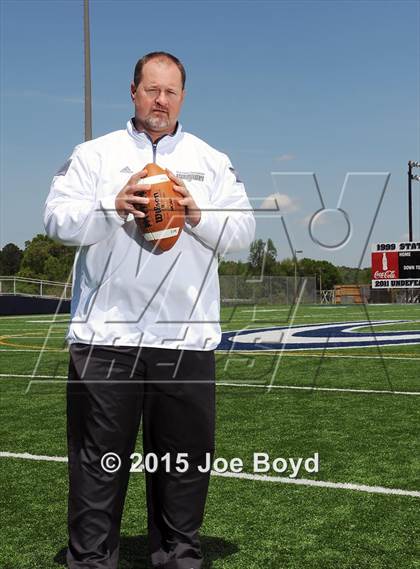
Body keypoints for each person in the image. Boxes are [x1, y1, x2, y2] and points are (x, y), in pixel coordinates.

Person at [44, 51, 255, 569]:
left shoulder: (211, 160)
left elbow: (244, 236)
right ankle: (91, 561)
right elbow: (56, 219)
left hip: (184, 340)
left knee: (182, 469)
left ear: (183, 96)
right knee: (98, 468)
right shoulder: (93, 154)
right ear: (133, 91)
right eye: (151, 89)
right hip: (106, 340)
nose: (160, 101)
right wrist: (113, 207)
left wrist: (198, 213)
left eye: (171, 91)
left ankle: (179, 558)